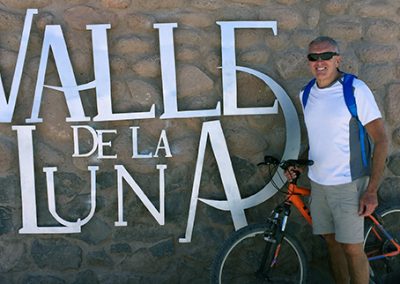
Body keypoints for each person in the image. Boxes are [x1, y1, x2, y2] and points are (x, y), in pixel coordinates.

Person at [287, 36, 388, 284]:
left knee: (353, 248)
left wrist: (371, 190)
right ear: (308, 61)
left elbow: (382, 140)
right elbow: (321, 138)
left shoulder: (355, 90)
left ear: (337, 59)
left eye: (326, 56)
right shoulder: (306, 93)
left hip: (349, 184)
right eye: (314, 57)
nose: (320, 62)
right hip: (319, 185)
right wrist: (299, 162)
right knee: (332, 243)